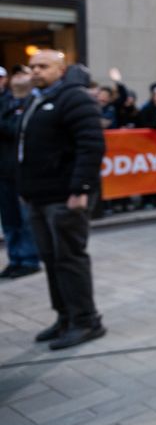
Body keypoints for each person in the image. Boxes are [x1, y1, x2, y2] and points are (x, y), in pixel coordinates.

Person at [19, 50, 106, 350]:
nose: (36, 72)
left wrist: (80, 189)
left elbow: (92, 144)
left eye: (43, 66)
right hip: (38, 197)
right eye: (32, 67)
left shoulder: (75, 98)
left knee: (69, 258)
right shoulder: (35, 99)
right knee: (51, 260)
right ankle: (65, 316)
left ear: (61, 69)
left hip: (65, 197)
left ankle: (86, 320)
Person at [0, 66, 41, 279]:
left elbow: (18, 129)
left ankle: (29, 258)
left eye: (22, 74)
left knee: (25, 218)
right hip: (4, 170)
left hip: (23, 171)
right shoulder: (5, 102)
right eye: (16, 75)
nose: (19, 79)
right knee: (9, 219)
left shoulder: (34, 103)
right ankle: (15, 258)